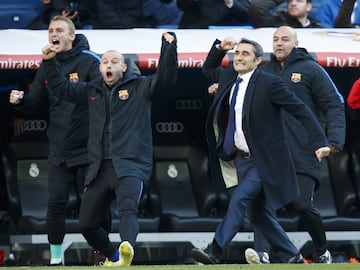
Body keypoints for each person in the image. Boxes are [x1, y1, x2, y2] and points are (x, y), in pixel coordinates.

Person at [40, 32, 178, 266]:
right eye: (105, 61)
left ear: (124, 68)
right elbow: (61, 88)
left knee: (127, 210)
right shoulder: (92, 90)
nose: (109, 65)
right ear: (100, 68)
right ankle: (114, 257)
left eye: (114, 61)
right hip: (99, 168)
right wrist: (49, 61)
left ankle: (127, 252)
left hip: (130, 164)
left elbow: (165, 77)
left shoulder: (140, 87)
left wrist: (168, 47)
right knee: (86, 224)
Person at [190, 36, 330, 265]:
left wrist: (319, 141)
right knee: (257, 214)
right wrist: (218, 48)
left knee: (239, 200)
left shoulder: (269, 83)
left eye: (246, 54)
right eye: (238, 53)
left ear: (257, 61)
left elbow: (301, 109)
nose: (239, 57)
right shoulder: (228, 76)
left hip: (264, 160)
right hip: (239, 160)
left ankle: (215, 250)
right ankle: (290, 253)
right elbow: (208, 68)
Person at [9, 15, 110, 266]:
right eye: (50, 30)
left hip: (88, 149)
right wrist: (21, 101)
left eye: (59, 30)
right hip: (60, 148)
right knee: (55, 204)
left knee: (96, 205)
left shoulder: (90, 62)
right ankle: (56, 260)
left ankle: (103, 253)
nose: (53, 34)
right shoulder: (46, 66)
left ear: (71, 36)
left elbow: (103, 96)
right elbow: (36, 103)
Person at [244, 26, 345, 264]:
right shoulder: (262, 71)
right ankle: (263, 254)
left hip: (303, 150)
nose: (279, 43)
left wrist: (334, 141)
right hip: (270, 152)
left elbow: (333, 104)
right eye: (275, 39)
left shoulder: (311, 69)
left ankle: (321, 251)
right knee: (262, 202)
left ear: (296, 42)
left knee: (300, 203)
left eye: (285, 39)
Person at [176, 0, 249, 29]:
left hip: (222, 36)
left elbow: (245, 18)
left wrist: (230, 3)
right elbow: (181, 5)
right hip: (192, 32)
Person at [249, 0, 323, 28]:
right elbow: (257, 7)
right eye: (289, 1)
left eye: (299, 1)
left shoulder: (316, 27)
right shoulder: (276, 22)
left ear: (308, 6)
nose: (293, 3)